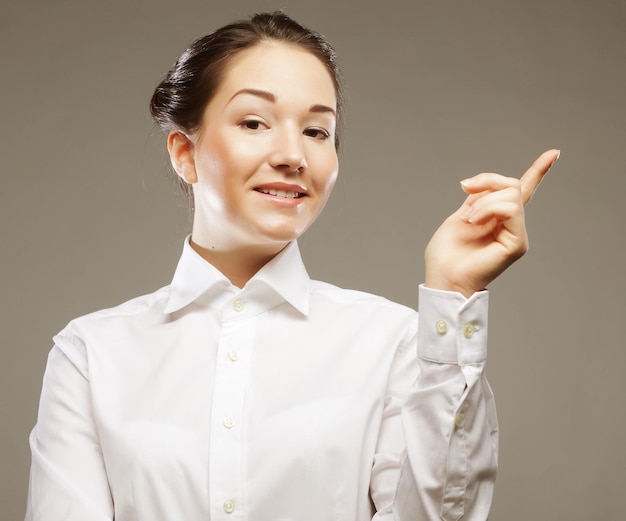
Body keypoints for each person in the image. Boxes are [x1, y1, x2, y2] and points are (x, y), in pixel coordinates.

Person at [24, 11, 559, 521]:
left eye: (316, 131)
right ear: (184, 152)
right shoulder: (90, 356)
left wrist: (454, 288)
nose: (292, 154)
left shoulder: (394, 344)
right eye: (254, 121)